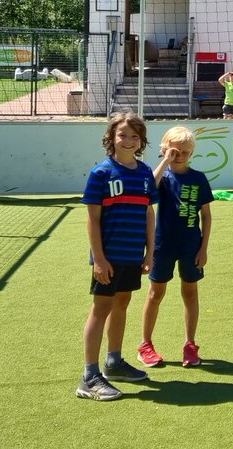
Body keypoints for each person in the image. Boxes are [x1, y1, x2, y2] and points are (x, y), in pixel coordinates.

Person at [77, 113, 158, 401]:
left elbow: (149, 212)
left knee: (122, 303)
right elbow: (92, 219)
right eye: (123, 135)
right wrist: (98, 259)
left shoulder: (146, 173)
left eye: (135, 136)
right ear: (111, 137)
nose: (129, 141)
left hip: (132, 255)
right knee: (101, 308)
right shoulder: (101, 173)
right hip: (108, 256)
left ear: (141, 141)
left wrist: (149, 252)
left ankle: (114, 363)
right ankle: (89, 376)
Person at [137, 127, 214, 369]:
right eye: (174, 151)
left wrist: (203, 248)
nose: (179, 155)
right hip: (162, 245)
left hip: (191, 245)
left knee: (190, 293)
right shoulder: (160, 177)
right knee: (155, 294)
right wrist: (165, 161)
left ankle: (190, 344)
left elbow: (207, 216)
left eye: (185, 152)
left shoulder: (198, 178)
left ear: (192, 154)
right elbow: (148, 190)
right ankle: (145, 344)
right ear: (164, 150)